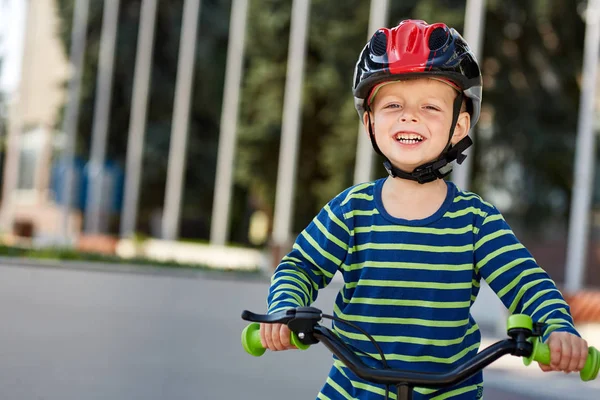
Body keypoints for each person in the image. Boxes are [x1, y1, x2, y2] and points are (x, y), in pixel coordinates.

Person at [259, 19, 588, 399]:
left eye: (430, 106)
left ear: (460, 125)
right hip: (353, 390)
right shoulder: (351, 210)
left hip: (450, 392)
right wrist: (285, 307)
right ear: (369, 121)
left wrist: (557, 328)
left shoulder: (475, 221)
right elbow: (301, 266)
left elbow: (526, 283)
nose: (408, 116)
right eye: (393, 104)